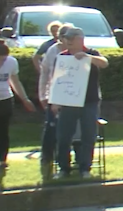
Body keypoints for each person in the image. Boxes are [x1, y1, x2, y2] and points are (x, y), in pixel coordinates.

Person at [52, 27, 109, 179]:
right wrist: (55, 102)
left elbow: (104, 63)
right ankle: (63, 168)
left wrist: (88, 58)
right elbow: (56, 80)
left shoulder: (92, 53)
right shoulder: (62, 57)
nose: (68, 42)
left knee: (88, 135)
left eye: (72, 38)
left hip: (89, 102)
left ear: (80, 39)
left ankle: (85, 168)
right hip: (68, 102)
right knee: (64, 136)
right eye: (66, 39)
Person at [38, 23, 73, 166]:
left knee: (72, 128)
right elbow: (45, 74)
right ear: (61, 38)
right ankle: (47, 156)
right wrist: (43, 95)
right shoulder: (52, 51)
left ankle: (68, 158)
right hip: (55, 94)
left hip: (73, 94)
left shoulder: (77, 51)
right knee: (51, 126)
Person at [0, 40, 36, 169]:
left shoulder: (11, 62)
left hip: (5, 99)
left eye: (4, 60)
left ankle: (2, 159)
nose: (2, 63)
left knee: (3, 131)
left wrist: (25, 99)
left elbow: (15, 81)